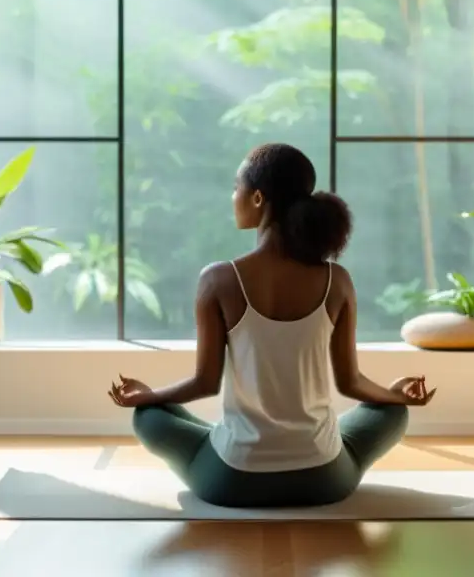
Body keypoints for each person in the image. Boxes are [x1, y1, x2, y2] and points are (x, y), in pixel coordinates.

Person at [108, 143, 435, 508]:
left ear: (258, 197)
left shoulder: (218, 279)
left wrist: (149, 396)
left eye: (237, 187)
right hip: (324, 479)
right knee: (392, 412)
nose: (233, 196)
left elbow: (205, 383)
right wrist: (394, 395)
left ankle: (213, 439)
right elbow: (350, 383)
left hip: (234, 481)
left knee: (149, 416)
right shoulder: (337, 280)